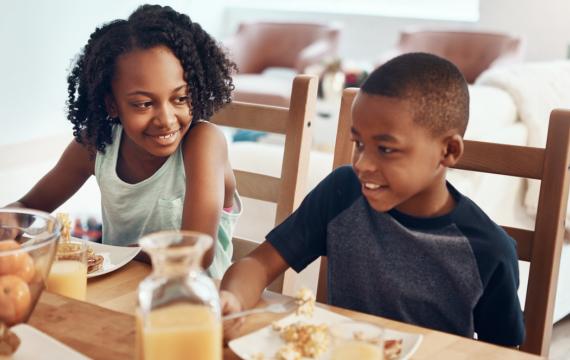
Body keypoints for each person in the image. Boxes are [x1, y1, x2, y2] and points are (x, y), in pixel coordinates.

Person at [220, 53, 525, 346]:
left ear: (448, 152)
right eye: (359, 143)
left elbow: (499, 353)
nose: (362, 164)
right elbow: (257, 265)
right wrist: (232, 300)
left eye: (386, 149)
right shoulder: (342, 192)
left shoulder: (488, 251)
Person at [4, 4, 241, 279]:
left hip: (195, 304)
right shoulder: (96, 145)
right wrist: (10, 219)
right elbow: (28, 208)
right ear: (112, 105)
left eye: (180, 98)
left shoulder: (204, 143)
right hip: (119, 295)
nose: (166, 119)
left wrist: (104, 255)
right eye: (143, 104)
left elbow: (197, 250)